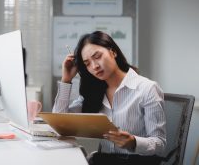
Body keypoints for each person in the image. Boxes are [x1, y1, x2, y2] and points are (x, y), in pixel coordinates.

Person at [52, 31, 166, 165]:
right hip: (103, 160)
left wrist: (133, 142)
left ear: (113, 52)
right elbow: (59, 123)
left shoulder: (147, 88)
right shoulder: (93, 93)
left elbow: (160, 144)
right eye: (87, 63)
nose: (94, 66)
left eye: (98, 56)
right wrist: (66, 80)